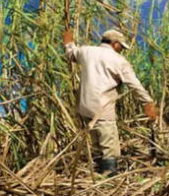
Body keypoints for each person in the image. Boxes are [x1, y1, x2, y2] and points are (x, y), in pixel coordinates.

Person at [63, 28, 157, 174]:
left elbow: (71, 53)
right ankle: (109, 178)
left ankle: (96, 173)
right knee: (109, 148)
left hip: (84, 107)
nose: (122, 50)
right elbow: (134, 85)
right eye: (121, 47)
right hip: (103, 109)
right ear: (115, 44)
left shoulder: (86, 51)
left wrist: (68, 41)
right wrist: (147, 102)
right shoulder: (118, 60)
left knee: (96, 144)